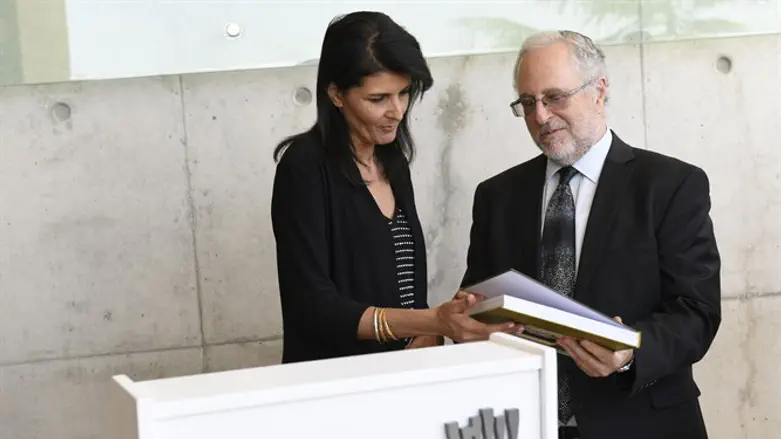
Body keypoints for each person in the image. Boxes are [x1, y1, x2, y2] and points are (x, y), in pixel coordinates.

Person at [460, 30, 721, 439]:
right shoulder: (496, 196)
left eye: (555, 97)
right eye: (528, 103)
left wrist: (630, 351)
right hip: (530, 423)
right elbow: (478, 304)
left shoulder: (671, 185)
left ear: (599, 90)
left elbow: (697, 312)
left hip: (642, 422)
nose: (541, 117)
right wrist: (469, 321)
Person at [271, 11, 519, 364]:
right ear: (336, 94)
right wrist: (431, 320)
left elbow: (404, 288)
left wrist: (430, 330)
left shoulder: (392, 161)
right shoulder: (304, 167)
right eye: (378, 99)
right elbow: (312, 306)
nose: (397, 111)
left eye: (404, 93)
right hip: (336, 386)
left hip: (404, 376)